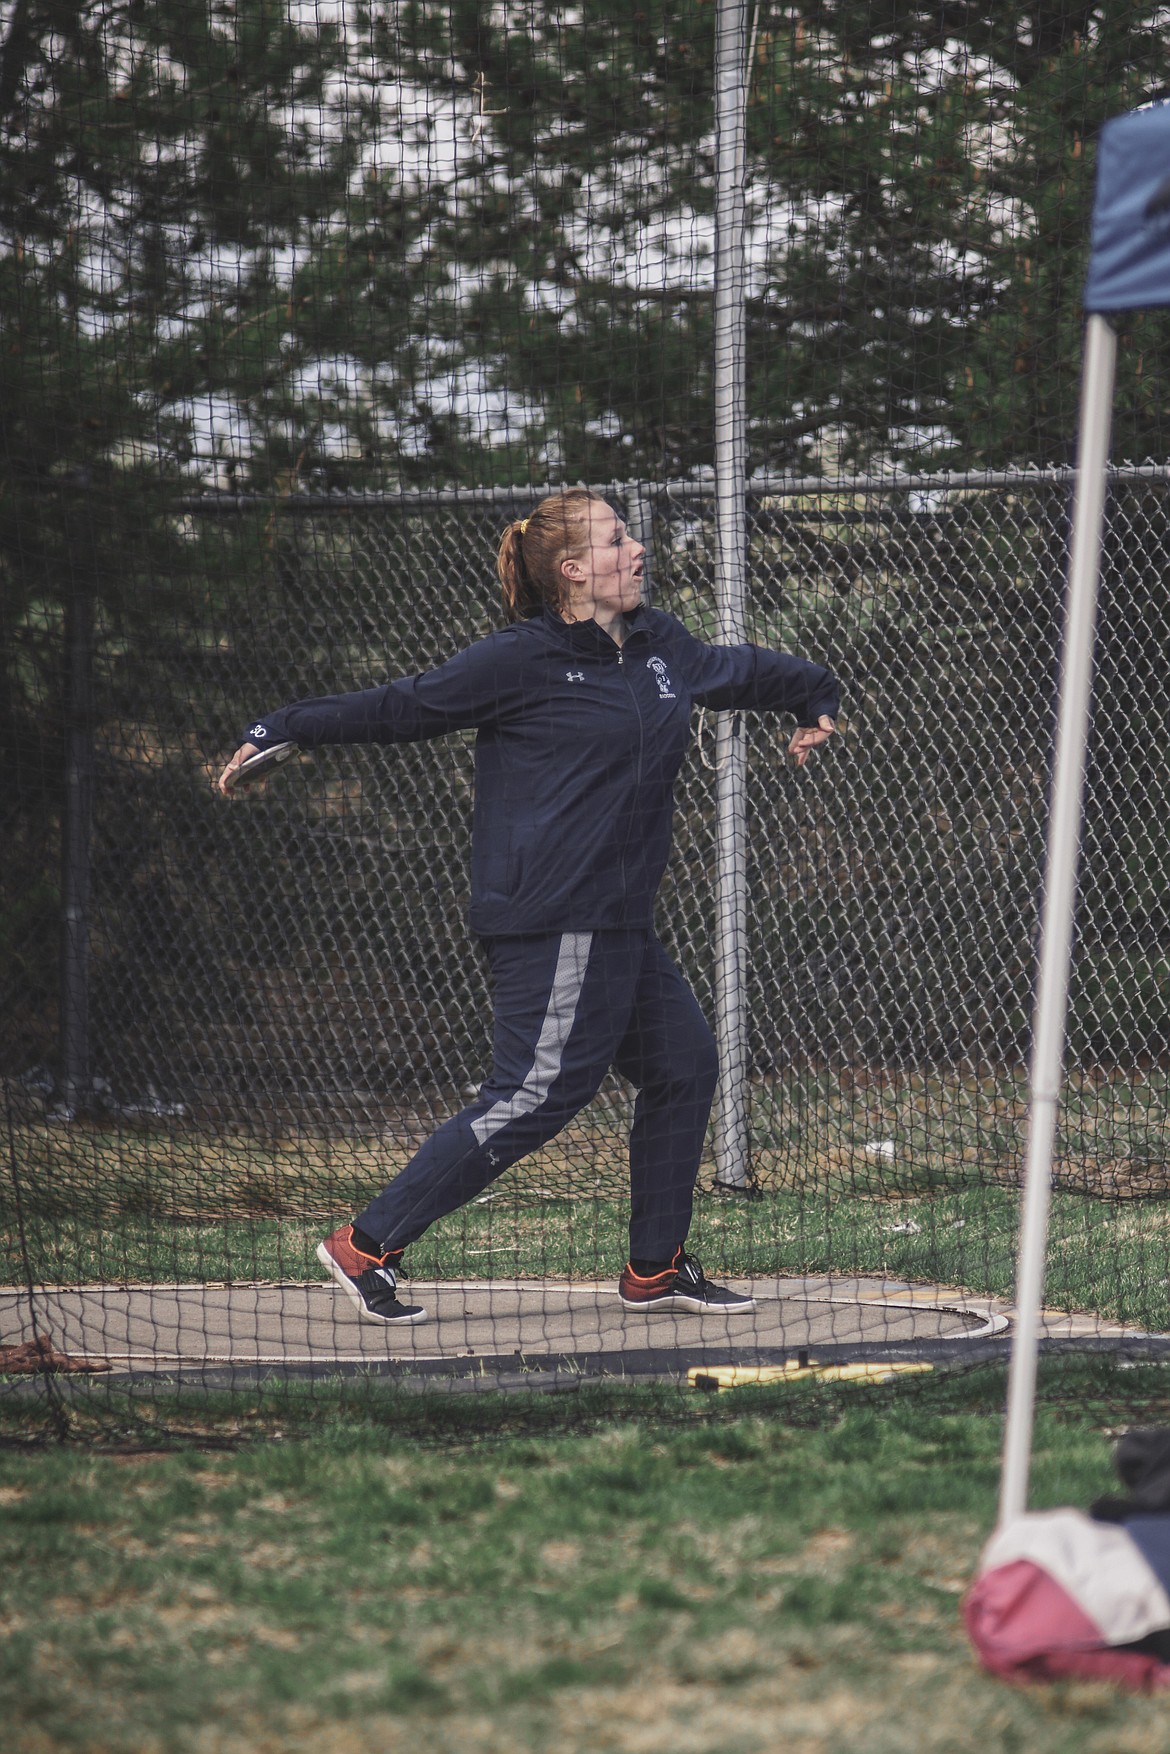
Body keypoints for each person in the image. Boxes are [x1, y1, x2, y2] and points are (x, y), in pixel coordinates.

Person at [217, 489, 838, 1325]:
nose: (637, 550)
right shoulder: (521, 658)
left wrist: (813, 696)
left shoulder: (659, 648)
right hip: (552, 918)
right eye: (617, 540)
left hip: (618, 921)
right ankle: (367, 1244)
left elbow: (739, 671)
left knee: (684, 1064)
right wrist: (284, 727)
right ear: (574, 572)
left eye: (630, 536)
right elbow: (405, 706)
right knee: (535, 1093)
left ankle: (655, 1269)